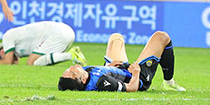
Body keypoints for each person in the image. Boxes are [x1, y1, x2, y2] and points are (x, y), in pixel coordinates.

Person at [58, 31, 186, 92]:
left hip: (116, 69)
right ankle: (169, 83)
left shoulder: (84, 76)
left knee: (116, 38)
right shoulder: (103, 82)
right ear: (83, 80)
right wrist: (136, 72)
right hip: (136, 77)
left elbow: (94, 73)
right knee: (161, 37)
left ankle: (111, 66)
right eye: (73, 72)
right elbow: (132, 88)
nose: (72, 68)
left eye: (67, 70)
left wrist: (108, 67)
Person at [0, 21, 86, 66]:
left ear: (2, 53)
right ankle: (72, 55)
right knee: (38, 61)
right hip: (66, 30)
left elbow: (8, 61)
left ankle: (71, 55)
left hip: (58, 33)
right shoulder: (18, 43)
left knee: (31, 62)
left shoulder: (7, 37)